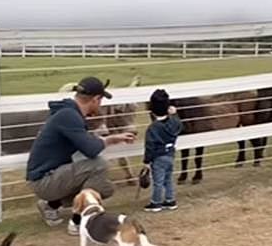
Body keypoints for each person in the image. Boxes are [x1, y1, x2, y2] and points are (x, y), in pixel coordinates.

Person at [26, 76, 136, 235]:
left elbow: (86, 143)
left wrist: (111, 139)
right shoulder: (69, 116)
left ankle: (51, 205)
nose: (100, 105)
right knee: (99, 164)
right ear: (96, 99)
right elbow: (90, 149)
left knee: (105, 188)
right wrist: (109, 140)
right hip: (43, 180)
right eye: (101, 101)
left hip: (50, 176)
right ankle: (77, 222)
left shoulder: (68, 113)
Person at [143, 89, 183, 212]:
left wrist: (146, 161)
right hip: (170, 154)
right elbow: (180, 126)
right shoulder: (174, 123)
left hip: (158, 157)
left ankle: (156, 203)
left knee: (158, 181)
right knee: (168, 178)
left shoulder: (153, 128)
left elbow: (150, 146)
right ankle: (170, 200)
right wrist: (174, 114)